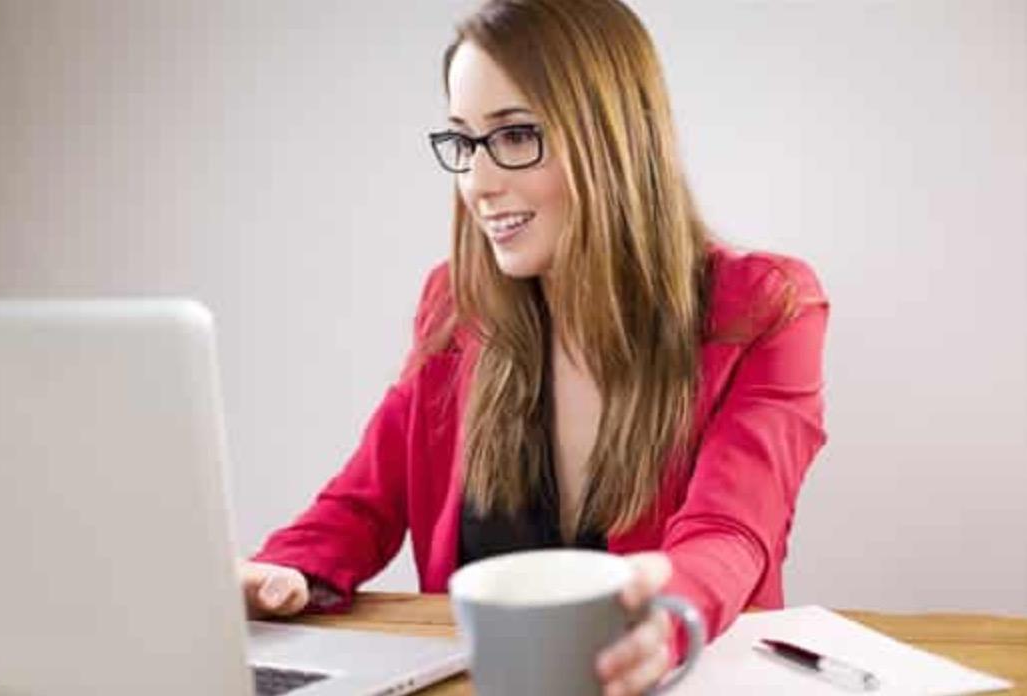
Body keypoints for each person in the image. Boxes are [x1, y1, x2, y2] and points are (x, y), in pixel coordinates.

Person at [241, 0, 828, 693]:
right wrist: (280, 572)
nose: (479, 184)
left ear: (612, 137)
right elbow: (361, 503)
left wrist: (662, 615)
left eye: (517, 135)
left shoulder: (767, 306)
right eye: (465, 141)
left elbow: (731, 531)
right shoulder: (455, 305)